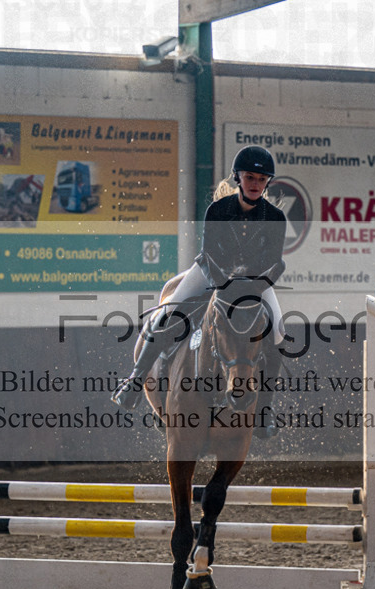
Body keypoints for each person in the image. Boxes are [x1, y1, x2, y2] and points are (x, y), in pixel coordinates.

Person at [111, 145, 287, 438]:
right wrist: (224, 285)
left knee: (278, 332)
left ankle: (264, 410)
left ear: (267, 182)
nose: (255, 184)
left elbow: (275, 263)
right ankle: (135, 381)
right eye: (250, 177)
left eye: (261, 179)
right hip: (211, 273)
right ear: (238, 178)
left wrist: (253, 287)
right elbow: (207, 255)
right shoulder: (217, 210)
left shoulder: (276, 217)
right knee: (169, 312)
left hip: (255, 283)